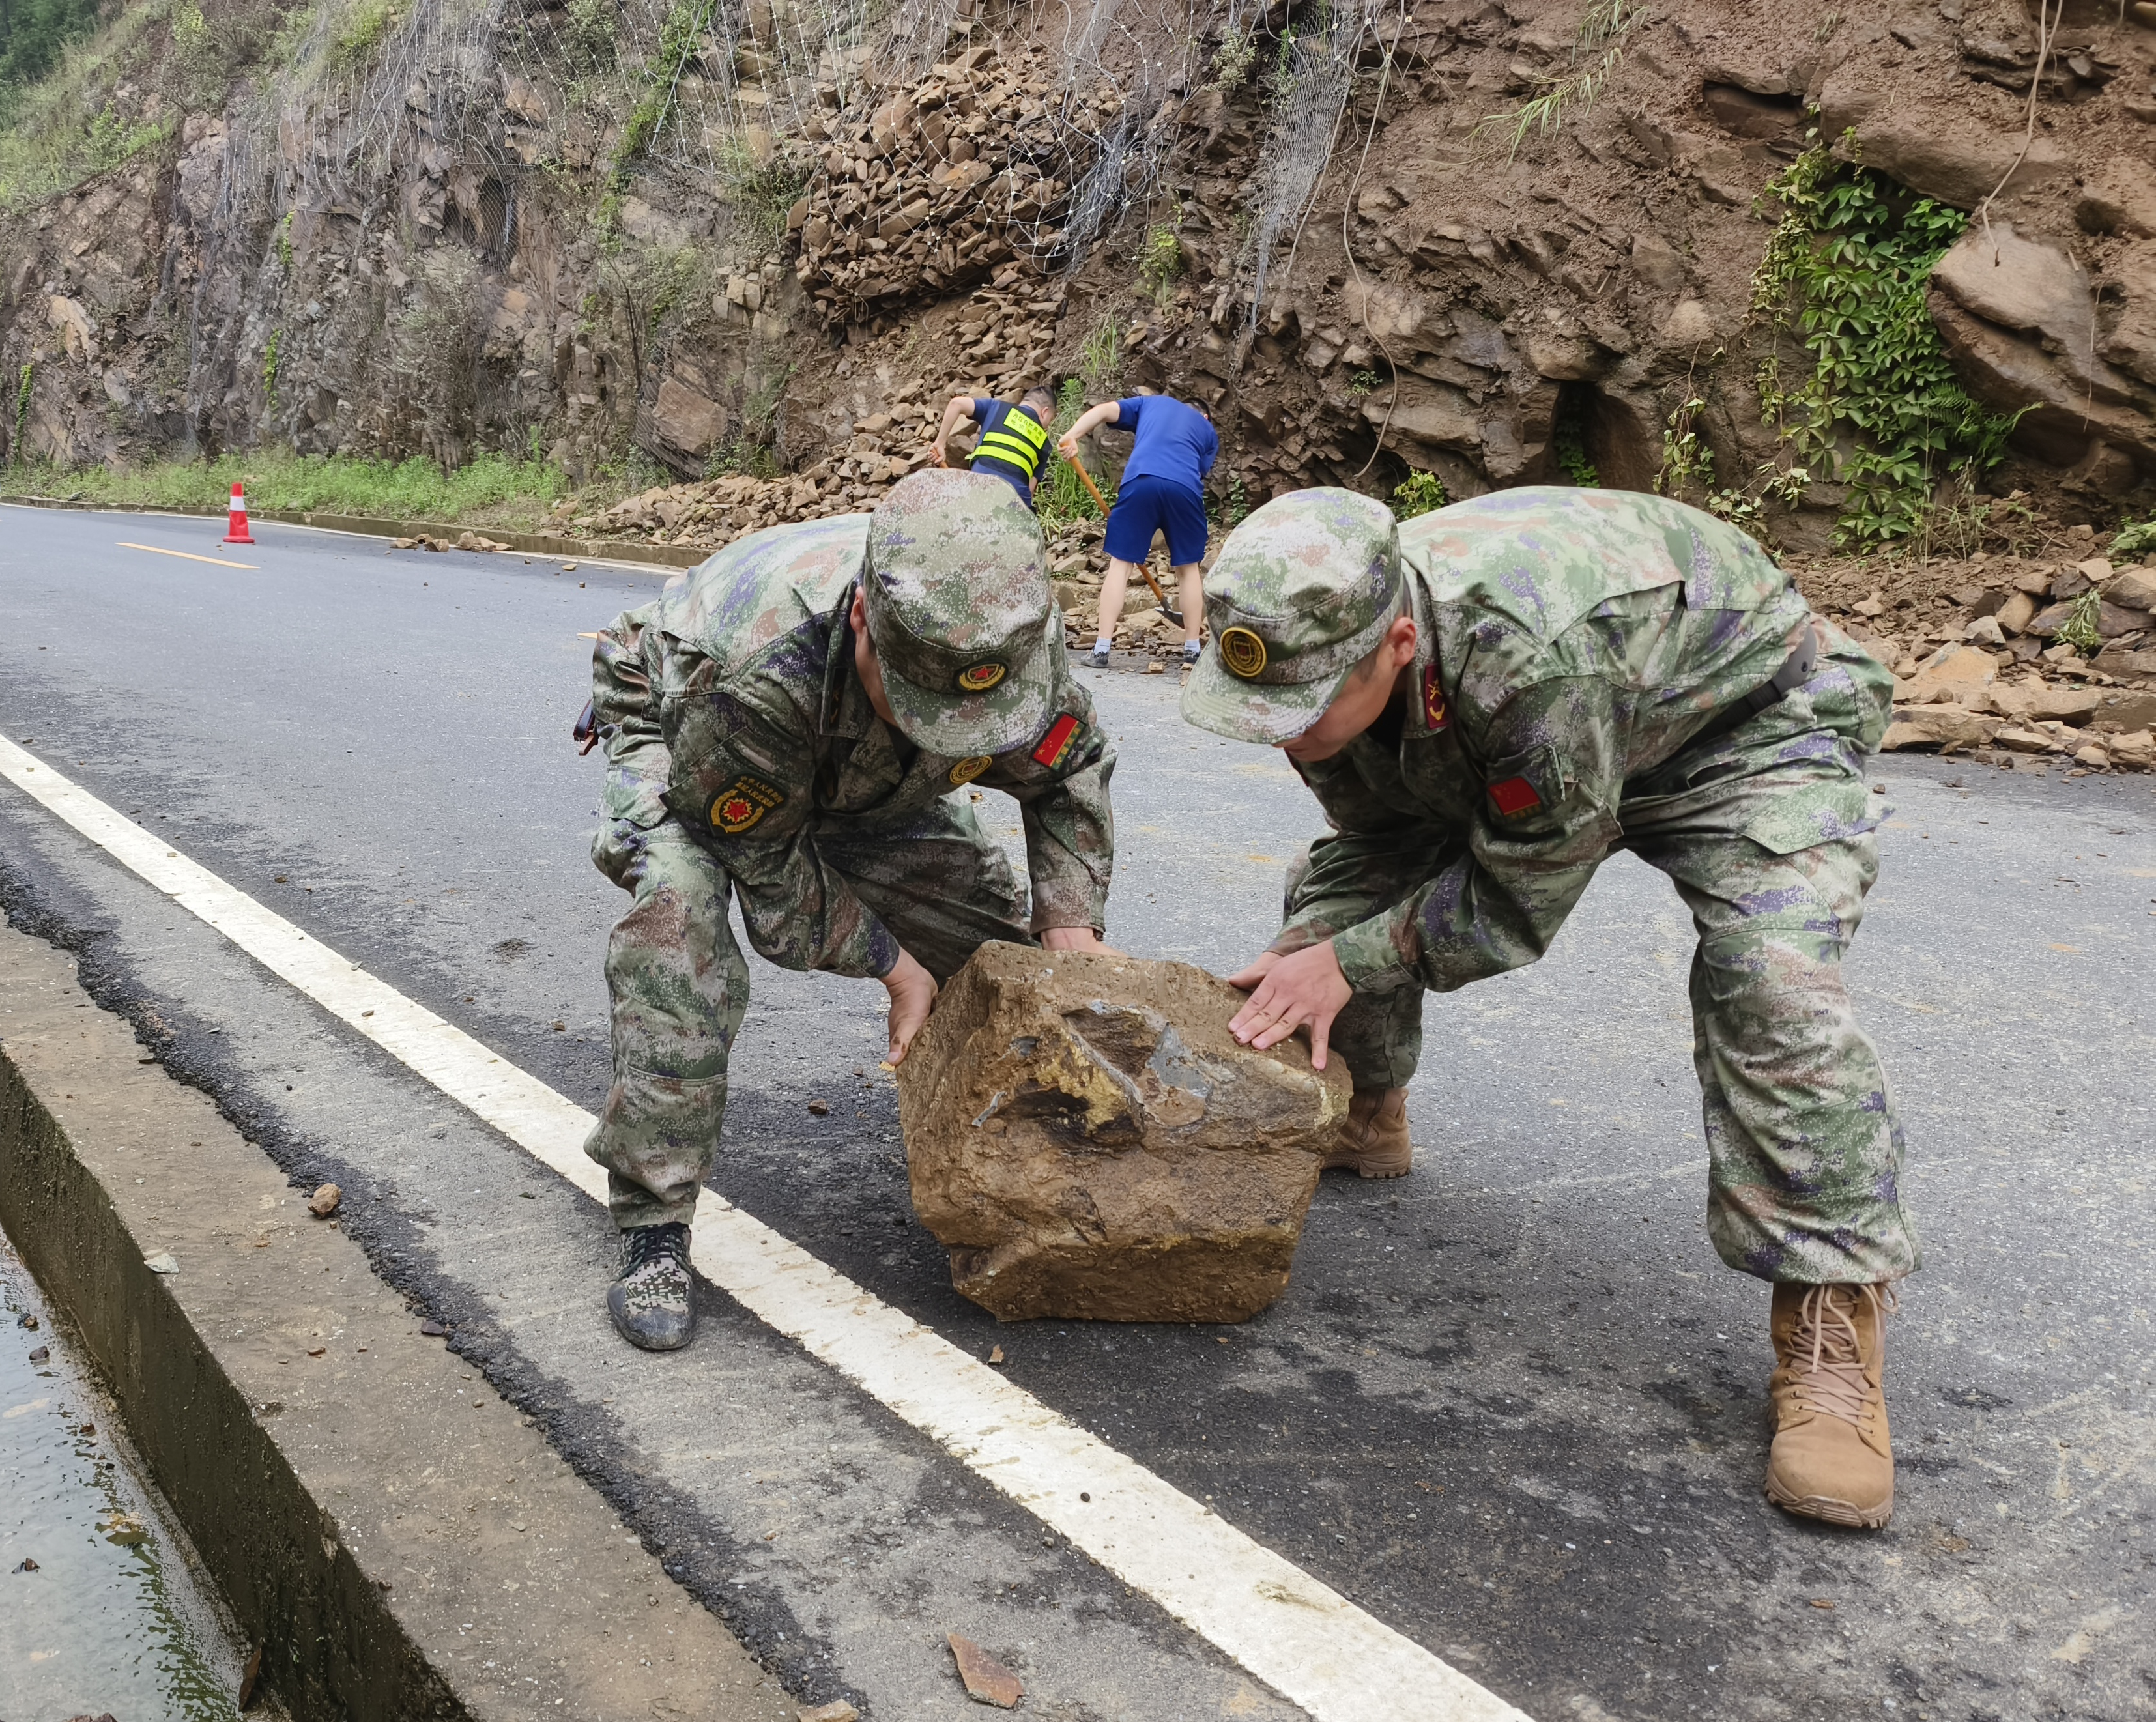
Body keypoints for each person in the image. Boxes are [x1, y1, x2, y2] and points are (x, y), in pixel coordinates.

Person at [1181, 483, 1917, 1530]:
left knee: (1771, 978)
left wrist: (1351, 959)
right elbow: (1382, 844)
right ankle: (1367, 1112)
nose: (1285, 737)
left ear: (1394, 644)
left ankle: (1832, 1313)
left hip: (1745, 730)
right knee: (1324, 922)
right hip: (1536, 730)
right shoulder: (1331, 644)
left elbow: (1521, 897)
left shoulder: (1530, 652)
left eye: (1301, 711)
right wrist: (1325, 949)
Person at [582, 470, 1121, 1355]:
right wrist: (893, 963)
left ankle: (992, 1169)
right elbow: (765, 865)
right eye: (924, 709)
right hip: (693, 735)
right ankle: (656, 1222)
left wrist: (1069, 923)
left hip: (866, 768)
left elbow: (1069, 771)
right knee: (678, 929)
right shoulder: (757, 676)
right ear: (865, 619)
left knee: (1005, 967)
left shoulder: (1011, 634)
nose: (943, 728)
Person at [1059, 388, 1217, 666]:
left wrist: (1073, 434)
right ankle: (1192, 648)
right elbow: (1200, 469)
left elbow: (1104, 410)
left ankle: (1101, 650)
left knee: (1121, 565)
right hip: (1184, 489)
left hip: (1141, 480)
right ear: (1205, 416)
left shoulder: (1152, 403)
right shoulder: (1207, 430)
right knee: (1188, 568)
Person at [931, 383, 1057, 509]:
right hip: (1014, 502)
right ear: (1045, 412)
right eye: (1050, 421)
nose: (1046, 427)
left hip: (979, 485)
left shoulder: (996, 407)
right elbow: (1030, 490)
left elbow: (956, 404)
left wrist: (940, 444)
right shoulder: (1044, 443)